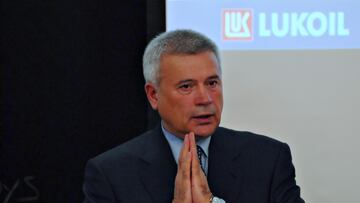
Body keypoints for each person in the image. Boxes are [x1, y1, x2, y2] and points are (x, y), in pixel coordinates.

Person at [82, 29, 305, 203]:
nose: (205, 98)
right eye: (187, 86)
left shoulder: (268, 160)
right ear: (153, 95)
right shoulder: (111, 174)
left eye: (212, 83)